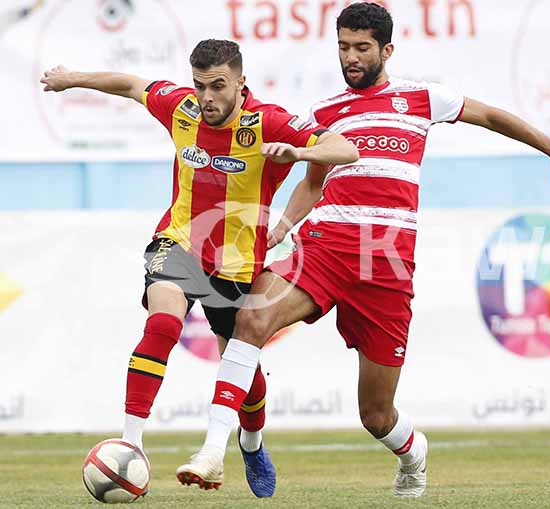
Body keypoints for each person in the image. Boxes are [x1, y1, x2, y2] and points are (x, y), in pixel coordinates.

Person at [176, 2, 550, 498]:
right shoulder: (324, 113)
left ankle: (413, 452)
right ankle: (215, 450)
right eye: (343, 47)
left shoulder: (423, 98)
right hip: (325, 247)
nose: (351, 57)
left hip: (386, 262)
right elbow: (312, 183)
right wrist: (282, 226)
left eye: (362, 48)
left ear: (387, 50)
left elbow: (492, 116)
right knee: (252, 319)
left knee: (376, 414)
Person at [40, 39, 358, 498]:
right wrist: (72, 79)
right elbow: (130, 84)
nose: (207, 97)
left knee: (244, 372)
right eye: (200, 85)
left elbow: (344, 149)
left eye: (218, 86)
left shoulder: (268, 122)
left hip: (236, 264)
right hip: (179, 243)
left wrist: (301, 154)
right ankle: (131, 444)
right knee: (163, 323)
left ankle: (252, 443)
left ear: (241, 83)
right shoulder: (182, 108)